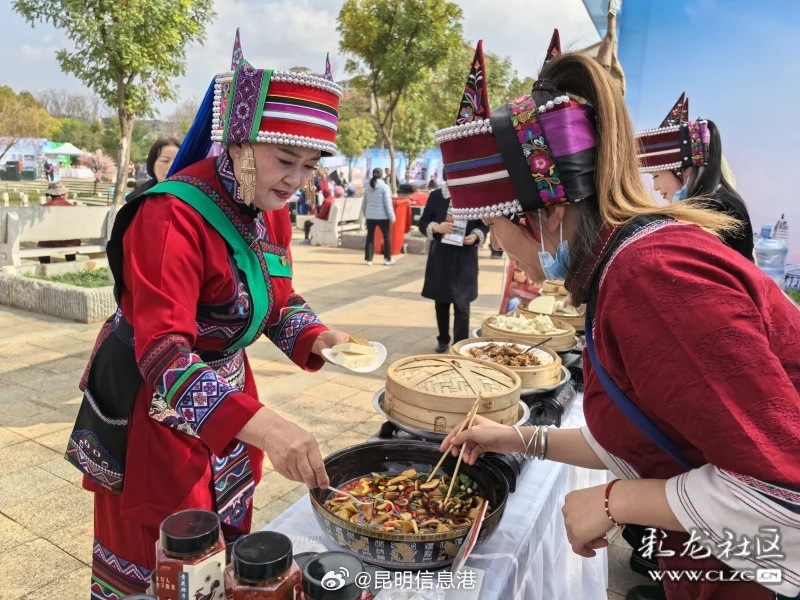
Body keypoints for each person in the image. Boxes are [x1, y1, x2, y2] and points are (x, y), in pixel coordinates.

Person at [434, 37, 800, 600]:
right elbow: (650, 435)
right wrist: (517, 438)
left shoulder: (652, 280)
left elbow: (783, 497)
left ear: (548, 212)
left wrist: (615, 501)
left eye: (497, 233)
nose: (502, 252)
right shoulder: (617, 272)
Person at [64, 29, 353, 598]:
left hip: (227, 395)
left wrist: (319, 337)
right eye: (285, 161)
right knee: (166, 558)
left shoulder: (266, 207)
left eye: (310, 165)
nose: (297, 181)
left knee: (225, 554)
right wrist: (269, 426)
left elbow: (276, 298)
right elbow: (164, 353)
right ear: (239, 146)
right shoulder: (170, 216)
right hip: (158, 407)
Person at [637, 93, 754, 261]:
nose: (655, 187)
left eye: (655, 176)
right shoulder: (711, 202)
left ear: (682, 170)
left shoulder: (722, 207)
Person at [419, 179, 487, 353]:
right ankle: (443, 340)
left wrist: (475, 235)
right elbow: (423, 222)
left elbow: (484, 224)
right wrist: (437, 227)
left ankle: (459, 344)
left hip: (465, 257)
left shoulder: (474, 197)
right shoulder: (436, 196)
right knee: (441, 303)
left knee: (462, 304)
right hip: (441, 257)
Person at [124, 137, 181, 204]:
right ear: (152, 165)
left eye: (177, 161)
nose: (172, 166)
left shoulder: (192, 197)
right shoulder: (137, 202)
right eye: (165, 160)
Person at [37, 181, 80, 262]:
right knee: (71, 239)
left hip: (50, 242)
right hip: (68, 242)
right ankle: (71, 264)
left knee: (42, 243)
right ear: (63, 194)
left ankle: (45, 265)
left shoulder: (44, 208)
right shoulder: (71, 207)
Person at [363, 167, 395, 266]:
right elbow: (388, 204)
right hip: (382, 217)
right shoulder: (384, 187)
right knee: (387, 237)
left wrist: (366, 214)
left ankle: (369, 259)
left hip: (370, 216)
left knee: (370, 237)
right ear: (382, 175)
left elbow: (364, 204)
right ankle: (387, 259)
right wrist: (392, 217)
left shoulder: (367, 187)